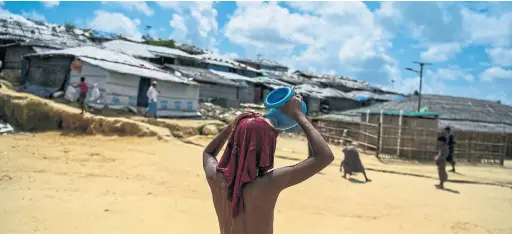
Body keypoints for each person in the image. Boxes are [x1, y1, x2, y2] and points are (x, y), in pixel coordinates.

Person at [202, 93, 334, 234]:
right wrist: (298, 115)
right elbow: (324, 156)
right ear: (266, 147)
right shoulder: (268, 183)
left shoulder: (216, 177)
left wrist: (232, 125)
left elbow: (208, 153)